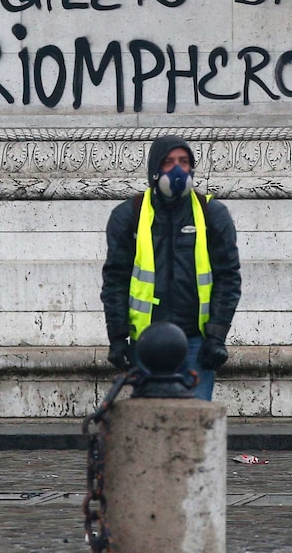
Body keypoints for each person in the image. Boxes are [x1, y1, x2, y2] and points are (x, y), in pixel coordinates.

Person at [100, 135, 242, 400]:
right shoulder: (128, 214)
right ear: (155, 170)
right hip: (147, 345)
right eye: (169, 162)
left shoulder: (212, 213)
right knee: (150, 429)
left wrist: (217, 336)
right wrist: (118, 339)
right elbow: (115, 281)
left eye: (184, 162)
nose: (178, 169)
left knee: (194, 427)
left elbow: (228, 278)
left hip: (196, 345)